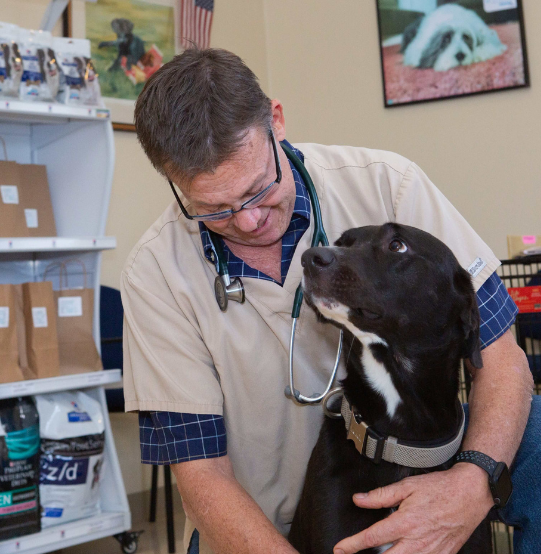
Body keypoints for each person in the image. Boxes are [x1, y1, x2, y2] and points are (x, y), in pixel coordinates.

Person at [122, 47, 539, 554]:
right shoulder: (155, 271)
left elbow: (501, 357)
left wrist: (473, 485)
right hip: (257, 535)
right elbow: (201, 477)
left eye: (258, 190)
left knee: (533, 433)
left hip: (418, 477)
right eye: (214, 209)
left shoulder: (389, 185)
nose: (249, 221)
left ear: (276, 123)